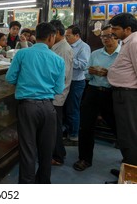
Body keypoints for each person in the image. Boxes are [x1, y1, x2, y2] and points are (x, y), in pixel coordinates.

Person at [6, 22, 65, 184]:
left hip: (27, 107)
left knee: (28, 150)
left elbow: (10, 78)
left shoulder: (22, 54)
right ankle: (43, 183)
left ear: (36, 35)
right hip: (48, 107)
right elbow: (59, 88)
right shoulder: (58, 60)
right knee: (46, 150)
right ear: (52, 37)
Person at [73, 25, 121, 171]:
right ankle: (84, 159)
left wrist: (108, 74)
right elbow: (87, 75)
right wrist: (92, 72)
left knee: (120, 128)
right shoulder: (96, 54)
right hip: (93, 91)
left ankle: (129, 160)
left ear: (117, 37)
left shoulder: (123, 54)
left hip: (112, 93)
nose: (106, 39)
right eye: (103, 36)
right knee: (86, 127)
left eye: (110, 36)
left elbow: (127, 77)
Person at [108, 13, 137, 166]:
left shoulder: (134, 42)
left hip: (128, 95)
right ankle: (127, 166)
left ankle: (131, 173)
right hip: (122, 94)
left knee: (129, 134)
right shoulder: (128, 41)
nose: (112, 31)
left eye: (116, 28)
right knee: (124, 133)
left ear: (128, 29)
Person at [49, 20, 73, 166]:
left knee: (55, 126)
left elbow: (62, 76)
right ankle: (59, 152)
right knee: (54, 125)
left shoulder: (63, 49)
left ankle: (58, 156)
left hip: (57, 94)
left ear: (57, 33)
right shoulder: (57, 47)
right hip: (54, 93)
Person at [63, 25, 91, 145]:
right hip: (66, 81)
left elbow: (84, 65)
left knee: (73, 109)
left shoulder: (84, 47)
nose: (66, 38)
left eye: (68, 36)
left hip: (77, 82)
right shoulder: (67, 45)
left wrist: (68, 60)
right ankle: (67, 131)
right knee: (65, 108)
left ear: (77, 36)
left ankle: (74, 136)